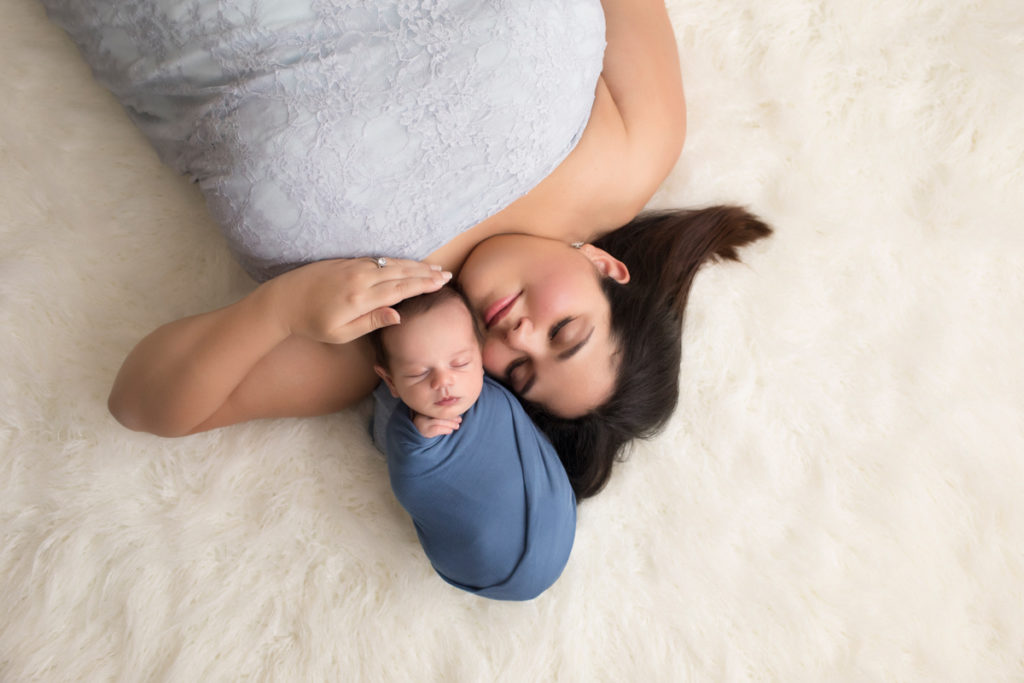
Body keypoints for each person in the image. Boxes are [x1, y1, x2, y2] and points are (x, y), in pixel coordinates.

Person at [47, 0, 771, 498]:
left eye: (519, 372)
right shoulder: (633, 149)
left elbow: (141, 403)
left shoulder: (377, 330)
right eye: (565, 331)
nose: (519, 335)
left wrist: (281, 310)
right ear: (605, 266)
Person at [368, 286, 576, 600]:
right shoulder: (400, 432)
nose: (443, 382)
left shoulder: (489, 386)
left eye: (460, 363)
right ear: (390, 381)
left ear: (479, 355)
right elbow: (409, 486)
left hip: (555, 521)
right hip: (479, 564)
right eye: (418, 373)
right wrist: (416, 442)